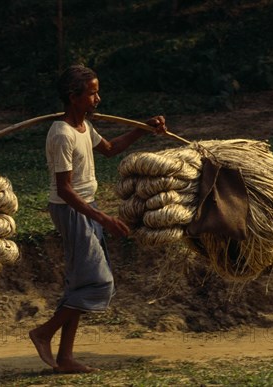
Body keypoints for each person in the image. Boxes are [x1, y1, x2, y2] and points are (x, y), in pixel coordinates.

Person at [29, 64, 167, 373]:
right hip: (72, 211)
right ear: (73, 97)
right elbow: (64, 190)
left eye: (97, 92)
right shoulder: (62, 134)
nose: (98, 99)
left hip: (86, 207)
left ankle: (65, 359)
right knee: (99, 283)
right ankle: (43, 333)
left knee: (81, 283)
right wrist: (103, 219)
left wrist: (141, 129)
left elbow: (109, 149)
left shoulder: (84, 128)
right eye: (91, 94)